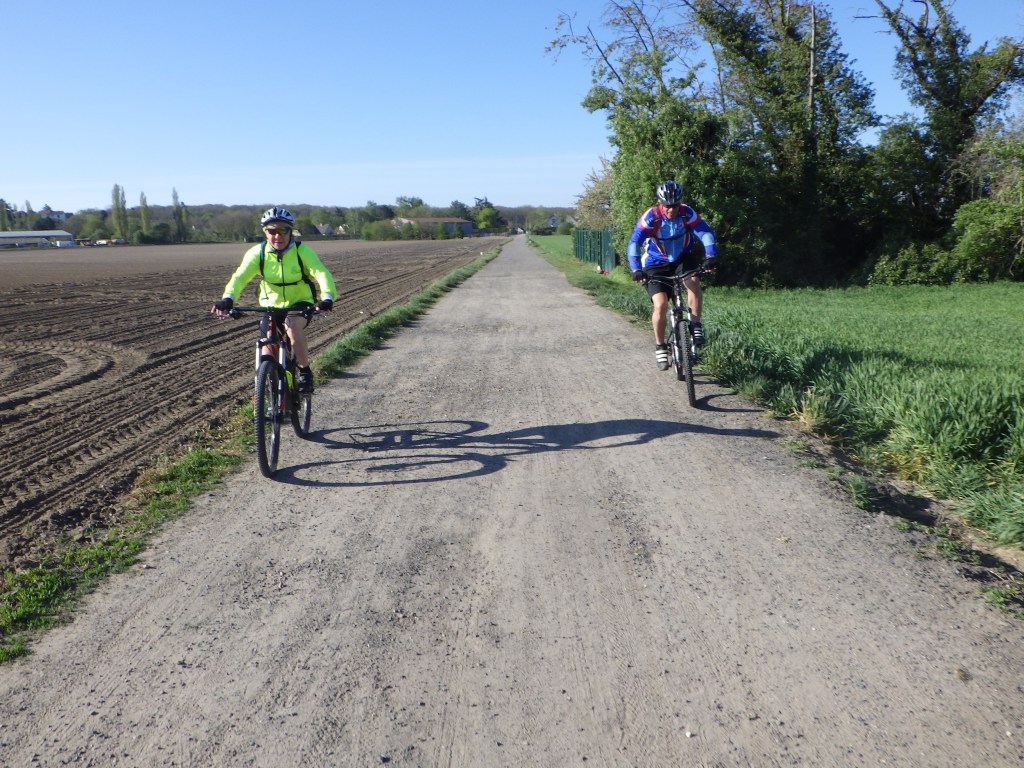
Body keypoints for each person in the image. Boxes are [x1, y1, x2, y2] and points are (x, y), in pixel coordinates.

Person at [211, 207, 337, 392]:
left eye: (283, 230)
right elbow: (240, 277)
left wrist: (327, 298)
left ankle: (305, 372)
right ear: (265, 232)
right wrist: (228, 298)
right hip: (269, 305)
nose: (278, 235)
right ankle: (268, 391)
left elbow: (321, 273)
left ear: (290, 231)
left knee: (292, 327)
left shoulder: (302, 252)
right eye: (272, 231)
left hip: (299, 303)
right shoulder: (258, 253)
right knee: (266, 347)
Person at [626, 180, 718, 371]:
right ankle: (660, 346)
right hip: (655, 263)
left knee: (693, 281)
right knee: (660, 304)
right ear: (660, 203)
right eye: (667, 206)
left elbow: (704, 233)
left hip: (682, 258)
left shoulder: (686, 213)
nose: (671, 210)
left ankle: (695, 325)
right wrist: (636, 269)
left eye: (675, 205)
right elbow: (634, 243)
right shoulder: (651, 217)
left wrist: (710, 256)